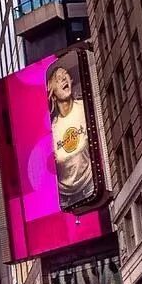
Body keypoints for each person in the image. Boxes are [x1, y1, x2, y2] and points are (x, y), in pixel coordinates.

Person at [46, 60, 94, 207]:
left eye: (65, 75)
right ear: (53, 94)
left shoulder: (84, 109)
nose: (63, 79)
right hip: (66, 197)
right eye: (58, 79)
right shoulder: (52, 130)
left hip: (90, 185)